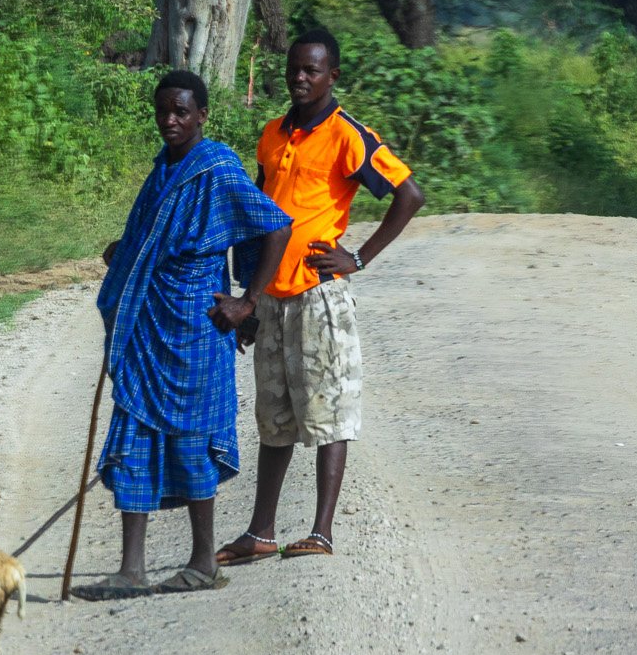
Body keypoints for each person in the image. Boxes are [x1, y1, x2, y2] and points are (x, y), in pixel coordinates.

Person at [210, 29, 424, 562]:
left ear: (333, 76)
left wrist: (359, 257)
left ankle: (321, 531)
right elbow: (257, 218)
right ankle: (261, 532)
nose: (301, 78)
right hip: (271, 296)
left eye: (313, 70)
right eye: (295, 69)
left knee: (330, 412)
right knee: (274, 417)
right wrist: (248, 300)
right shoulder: (272, 134)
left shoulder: (347, 134)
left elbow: (409, 194)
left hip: (317, 295)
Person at [85, 69, 293, 597]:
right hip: (150, 330)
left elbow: (276, 225)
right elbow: (148, 240)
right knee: (133, 433)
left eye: (181, 111)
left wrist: (248, 300)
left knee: (194, 441)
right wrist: (123, 254)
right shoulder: (161, 169)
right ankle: (131, 570)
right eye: (163, 111)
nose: (170, 121)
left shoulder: (218, 169)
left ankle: (204, 562)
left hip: (198, 330)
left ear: (203, 114)